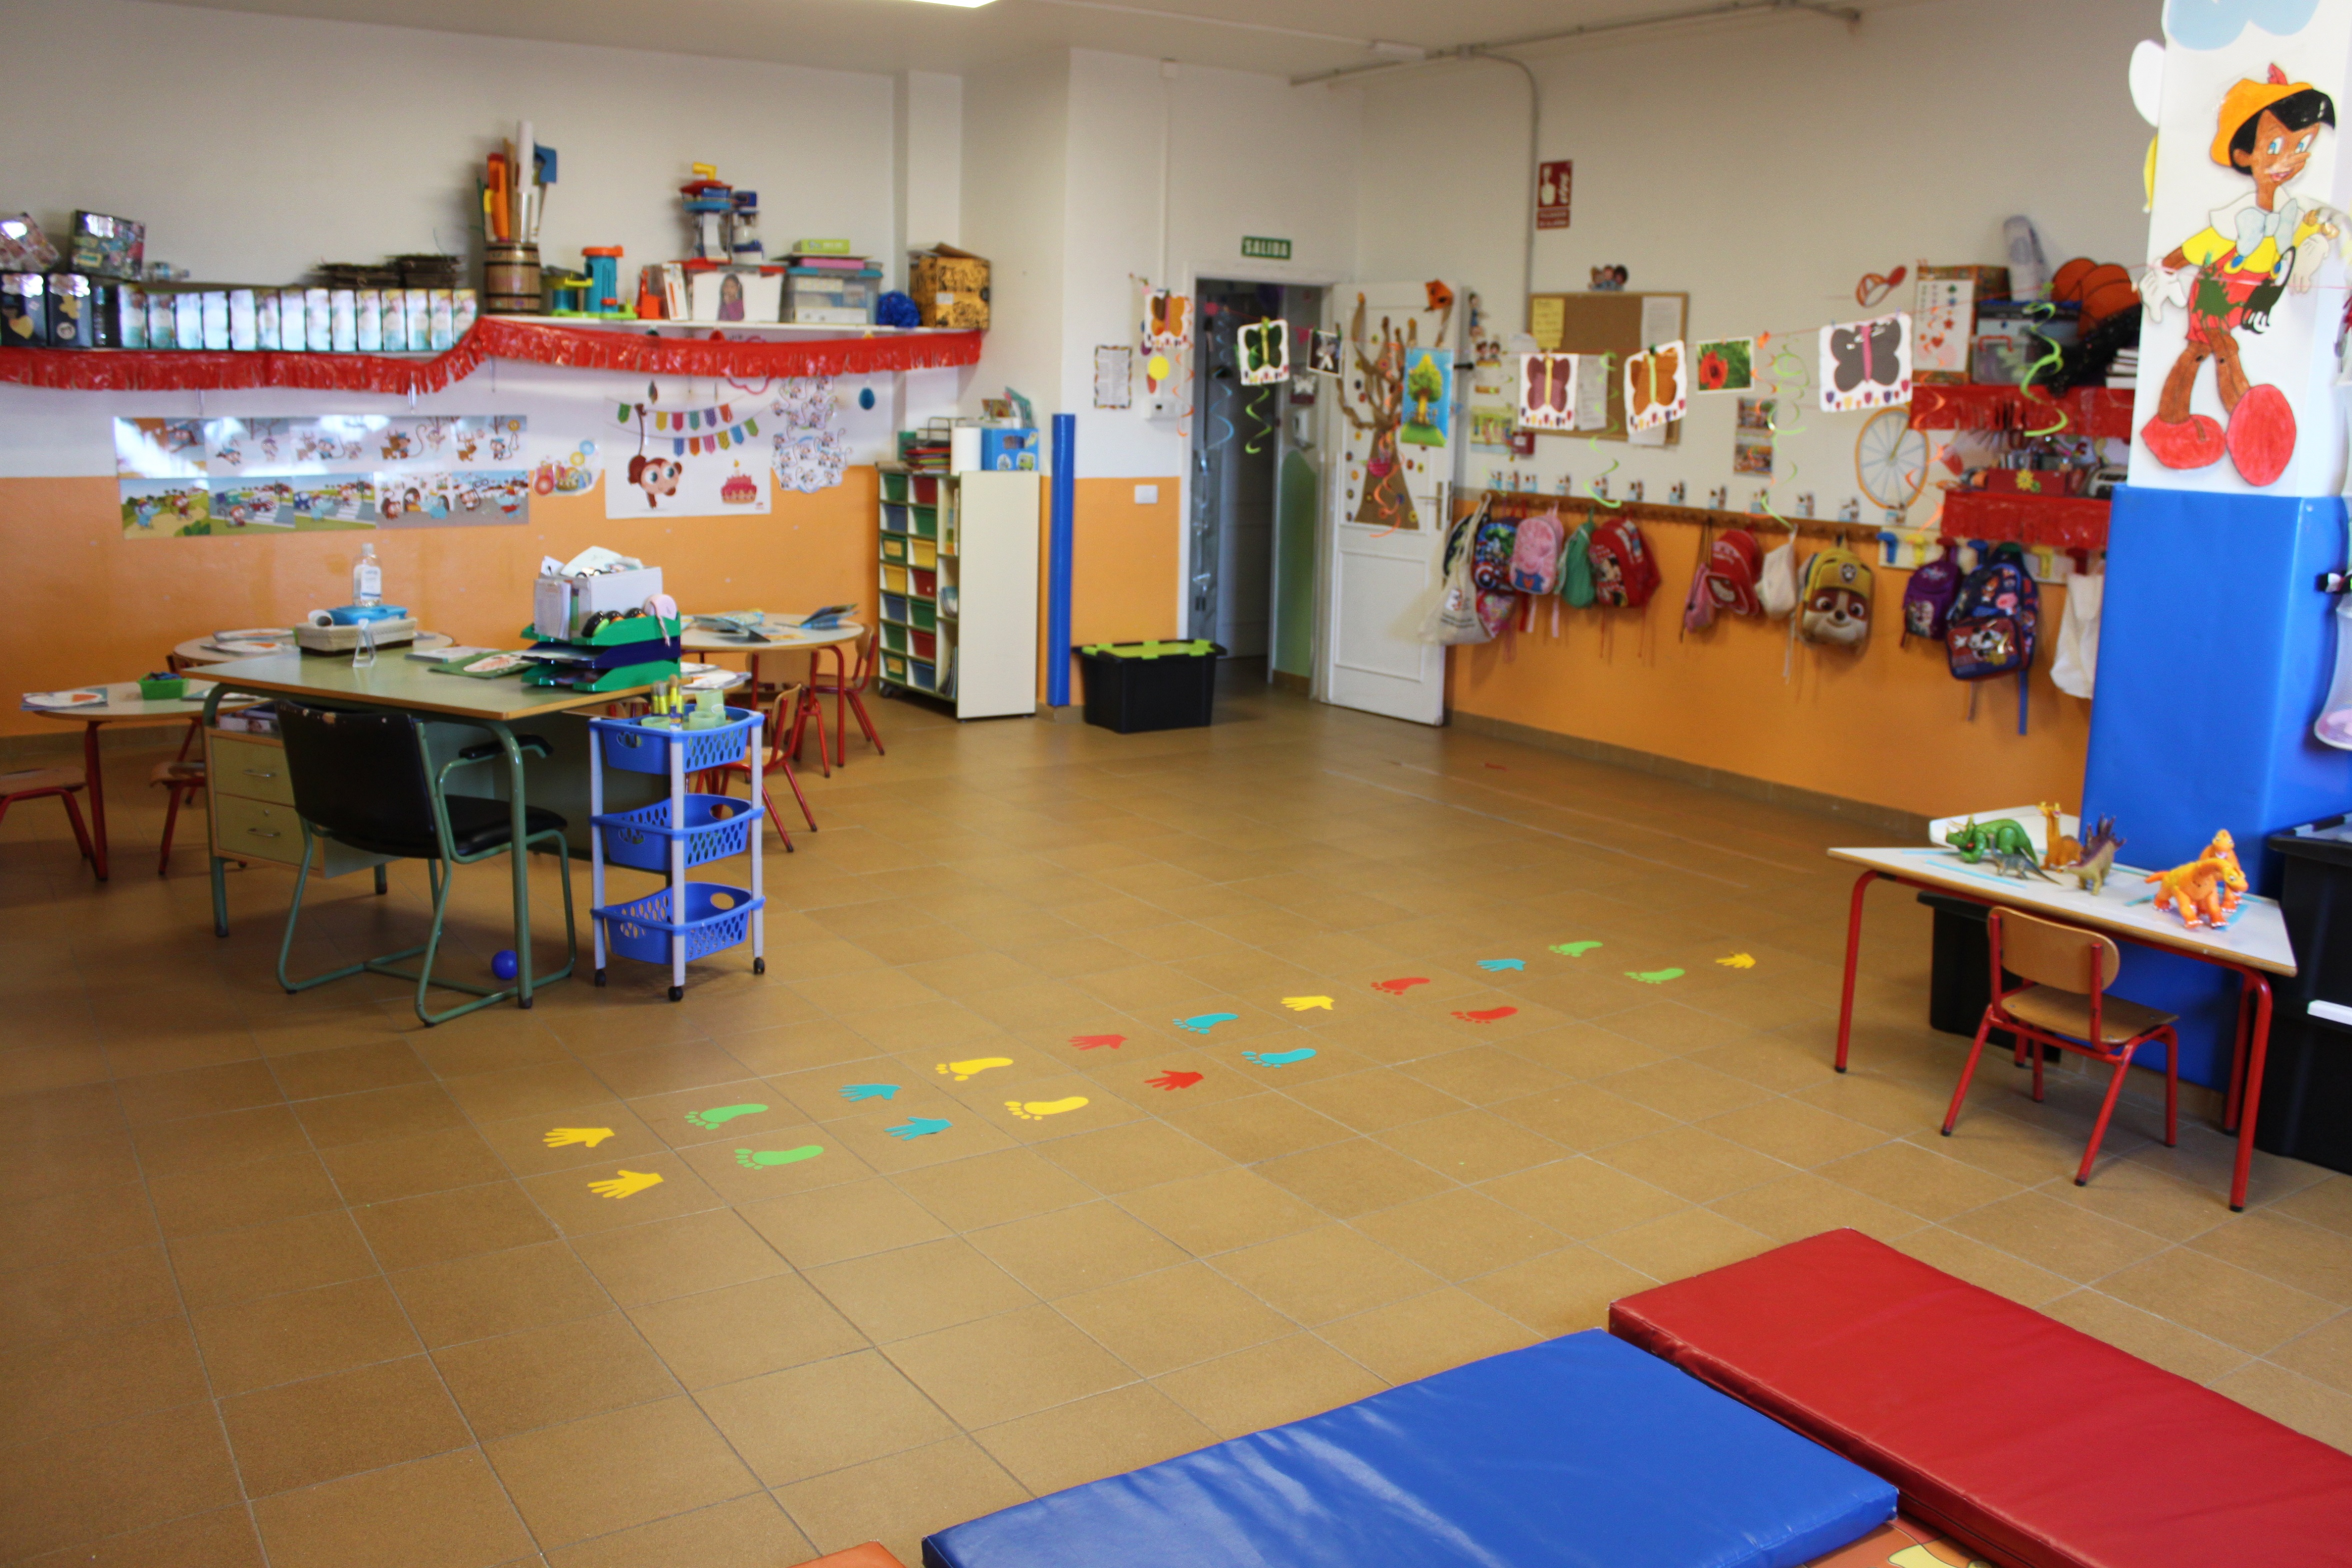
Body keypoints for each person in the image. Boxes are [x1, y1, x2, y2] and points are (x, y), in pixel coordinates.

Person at [2139, 65, 2340, 487]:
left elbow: (2305, 237)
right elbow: (2189, 250)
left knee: (2196, 351)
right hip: (2215, 291)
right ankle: (2251, 427)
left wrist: (2319, 241)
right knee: (2222, 347)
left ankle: (2171, 421)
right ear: (2244, 156)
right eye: (2276, 145)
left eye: (2302, 145)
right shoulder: (2234, 218)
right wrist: (2160, 273)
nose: (2290, 159)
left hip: (2245, 295)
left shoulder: (2289, 210)